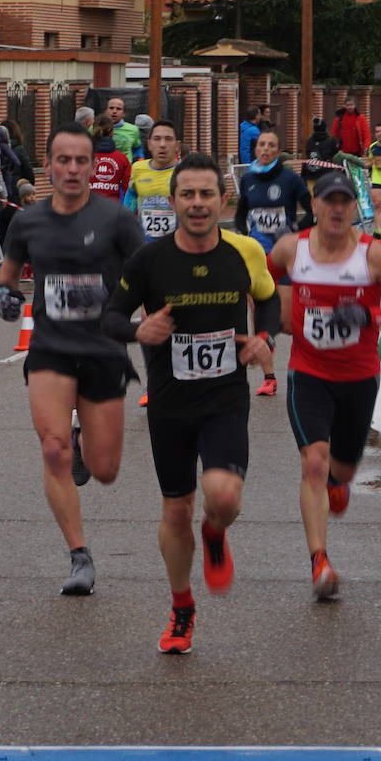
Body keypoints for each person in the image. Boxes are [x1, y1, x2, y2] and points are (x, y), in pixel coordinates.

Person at [102, 153, 281, 654]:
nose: (198, 204)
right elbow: (110, 316)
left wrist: (263, 336)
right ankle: (181, 608)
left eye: (207, 194)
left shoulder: (244, 252)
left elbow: (268, 299)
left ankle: (216, 530)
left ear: (224, 200)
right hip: (169, 403)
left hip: (224, 397)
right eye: (188, 195)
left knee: (223, 496)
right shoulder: (149, 260)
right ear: (173, 200)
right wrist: (140, 329)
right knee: (175, 511)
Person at [0, 121, 146, 595]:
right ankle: (80, 557)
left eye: (81, 161)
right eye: (63, 160)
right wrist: (5, 301)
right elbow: (4, 282)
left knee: (105, 470)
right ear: (49, 167)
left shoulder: (117, 220)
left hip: (103, 352)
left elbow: (149, 279)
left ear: (93, 167)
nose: (72, 169)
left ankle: (83, 442)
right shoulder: (28, 221)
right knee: (51, 449)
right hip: (51, 351)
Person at [267, 169, 381, 599]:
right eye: (328, 201)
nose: (337, 209)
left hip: (357, 377)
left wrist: (370, 317)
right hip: (308, 371)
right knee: (313, 462)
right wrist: (269, 322)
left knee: (343, 468)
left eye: (345, 202)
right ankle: (319, 561)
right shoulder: (289, 250)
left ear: (355, 207)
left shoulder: (373, 256)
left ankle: (339, 482)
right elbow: (263, 284)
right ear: (314, 206)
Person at [233, 129, 311, 396]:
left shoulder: (290, 179)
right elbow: (241, 212)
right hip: (259, 256)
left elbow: (311, 210)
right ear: (256, 149)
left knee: (285, 321)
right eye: (261, 145)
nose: (265, 149)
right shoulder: (249, 180)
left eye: (271, 146)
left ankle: (301, 365)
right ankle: (269, 377)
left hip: (285, 255)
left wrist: (295, 231)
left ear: (278, 151)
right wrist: (246, 236)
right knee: (261, 314)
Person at [123, 120, 181, 242]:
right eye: (157, 139)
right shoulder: (138, 168)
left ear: (177, 146)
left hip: (175, 247)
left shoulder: (185, 172)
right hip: (144, 247)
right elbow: (130, 200)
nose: (162, 144)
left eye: (168, 139)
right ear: (149, 144)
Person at [90, 114, 130, 201]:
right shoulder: (122, 159)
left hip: (87, 208)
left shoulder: (85, 158)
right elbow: (128, 190)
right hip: (113, 209)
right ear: (112, 132)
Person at [301, 118, 340, 190]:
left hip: (311, 174)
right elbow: (336, 156)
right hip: (327, 174)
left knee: (313, 198)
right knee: (325, 197)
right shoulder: (331, 140)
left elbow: (307, 156)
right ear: (325, 128)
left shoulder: (309, 141)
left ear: (314, 129)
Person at [106, 96, 141, 161]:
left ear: (124, 113)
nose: (114, 111)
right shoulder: (95, 128)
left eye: (118, 109)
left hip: (125, 169)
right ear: (105, 111)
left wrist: (140, 160)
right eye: (111, 108)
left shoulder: (133, 129)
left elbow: (138, 148)